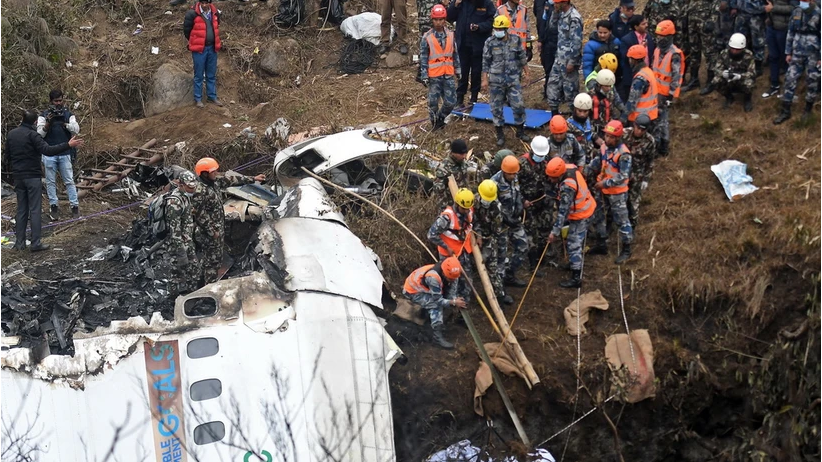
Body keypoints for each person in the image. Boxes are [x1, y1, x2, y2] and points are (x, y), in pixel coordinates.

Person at [7, 110, 83, 251]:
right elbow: (47, 150)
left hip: (18, 177)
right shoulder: (33, 135)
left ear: (22, 119)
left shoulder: (11, 134)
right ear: (35, 122)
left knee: (21, 209)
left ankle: (19, 243)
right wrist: (68, 145)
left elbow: (7, 156)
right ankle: (35, 243)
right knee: (35, 209)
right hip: (32, 176)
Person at [191, 157, 266, 284]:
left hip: (217, 230)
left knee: (209, 258)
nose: (216, 173)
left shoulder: (215, 182)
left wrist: (254, 179)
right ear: (204, 174)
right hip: (209, 234)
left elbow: (232, 179)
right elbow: (199, 215)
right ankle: (209, 287)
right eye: (213, 172)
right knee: (213, 262)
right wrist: (212, 232)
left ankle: (199, 280)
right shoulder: (199, 191)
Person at [587, 120, 633, 264]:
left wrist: (605, 183)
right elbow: (599, 161)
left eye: (611, 137)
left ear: (618, 137)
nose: (607, 139)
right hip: (603, 190)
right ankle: (601, 244)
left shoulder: (624, 154)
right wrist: (586, 169)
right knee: (599, 216)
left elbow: (623, 176)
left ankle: (627, 249)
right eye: (606, 135)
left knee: (622, 220)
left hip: (617, 192)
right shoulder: (604, 147)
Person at [545, 157, 596, 288]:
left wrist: (554, 232)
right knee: (572, 241)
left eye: (552, 177)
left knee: (574, 244)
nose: (550, 180)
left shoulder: (567, 187)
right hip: (587, 205)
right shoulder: (569, 167)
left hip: (581, 214)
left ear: (559, 175)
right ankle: (574, 263)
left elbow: (562, 212)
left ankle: (576, 278)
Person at [482, 15, 530, 146]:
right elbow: (485, 61)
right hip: (496, 81)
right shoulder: (490, 42)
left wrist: (527, 73)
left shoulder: (515, 40)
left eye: (500, 29)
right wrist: (484, 79)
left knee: (518, 105)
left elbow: (522, 57)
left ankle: (520, 130)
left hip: (513, 80)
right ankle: (500, 133)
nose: (497, 31)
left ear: (506, 29)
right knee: (496, 108)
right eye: (496, 29)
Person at [151, 170, 200, 297]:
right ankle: (173, 298)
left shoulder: (185, 196)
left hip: (187, 241)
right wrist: (181, 251)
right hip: (177, 244)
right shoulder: (174, 203)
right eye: (190, 187)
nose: (193, 190)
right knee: (177, 273)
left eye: (194, 187)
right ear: (181, 185)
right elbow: (174, 230)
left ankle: (193, 295)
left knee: (194, 269)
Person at [402, 256, 466, 349]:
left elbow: (451, 292)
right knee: (435, 305)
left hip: (428, 290)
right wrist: (453, 302)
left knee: (446, 301)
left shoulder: (453, 274)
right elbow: (438, 301)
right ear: (444, 273)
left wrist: (454, 300)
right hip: (413, 292)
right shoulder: (433, 278)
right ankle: (437, 337)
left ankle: (432, 318)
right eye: (450, 279)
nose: (452, 281)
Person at [36, 89, 81, 221]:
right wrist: (48, 124)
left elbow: (76, 129)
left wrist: (65, 124)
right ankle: (54, 206)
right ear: (51, 101)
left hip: (65, 152)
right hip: (49, 153)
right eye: (56, 101)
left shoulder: (68, 114)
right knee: (50, 182)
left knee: (69, 181)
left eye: (60, 100)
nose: (58, 103)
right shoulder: (44, 116)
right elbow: (39, 134)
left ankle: (74, 206)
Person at [773, 0, 820, 124]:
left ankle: (808, 109)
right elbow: (791, 31)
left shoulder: (818, 13)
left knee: (812, 80)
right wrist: (788, 52)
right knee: (790, 79)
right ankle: (785, 110)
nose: (803, 1)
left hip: (813, 53)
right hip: (797, 51)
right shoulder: (796, 11)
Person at [427, 188, 475, 301]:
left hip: (463, 251)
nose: (466, 211)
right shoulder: (446, 217)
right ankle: (451, 304)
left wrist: (479, 235)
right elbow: (431, 235)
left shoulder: (469, 209)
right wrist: (446, 247)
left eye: (468, 209)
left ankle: (464, 302)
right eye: (463, 209)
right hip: (449, 255)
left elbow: (473, 223)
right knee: (452, 284)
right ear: (457, 204)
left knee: (467, 279)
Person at [420, 5, 462, 131]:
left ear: (444, 20)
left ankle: (440, 118)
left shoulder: (451, 35)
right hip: (434, 76)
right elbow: (423, 58)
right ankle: (435, 125)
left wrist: (458, 70)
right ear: (432, 20)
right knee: (433, 103)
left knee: (451, 102)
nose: (438, 22)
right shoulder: (427, 37)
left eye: (441, 19)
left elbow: (455, 54)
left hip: (448, 74)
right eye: (436, 20)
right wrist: (424, 75)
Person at [447, 0, 496, 107]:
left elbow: (492, 21)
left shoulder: (486, 3)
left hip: (478, 44)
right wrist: (455, 5)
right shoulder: (461, 2)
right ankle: (459, 98)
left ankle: (473, 98)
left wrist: (479, 27)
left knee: (476, 72)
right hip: (463, 44)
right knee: (462, 72)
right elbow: (449, 16)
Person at [490, 156, 528, 287]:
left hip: (514, 220)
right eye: (510, 174)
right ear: (504, 171)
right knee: (501, 255)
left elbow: (517, 193)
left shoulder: (515, 178)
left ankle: (510, 275)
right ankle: (499, 287)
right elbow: (493, 206)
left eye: (514, 173)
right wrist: (505, 218)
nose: (512, 176)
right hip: (500, 225)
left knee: (523, 246)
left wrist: (520, 204)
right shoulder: (494, 183)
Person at [474, 180, 512, 304]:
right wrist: (478, 234)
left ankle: (499, 295)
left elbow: (496, 231)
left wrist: (489, 247)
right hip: (474, 235)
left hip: (490, 237)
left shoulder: (496, 208)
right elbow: (473, 219)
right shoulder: (474, 201)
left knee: (493, 266)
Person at [518, 137, 552, 274]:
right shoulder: (521, 164)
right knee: (531, 233)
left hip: (542, 201)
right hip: (528, 205)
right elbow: (514, 185)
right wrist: (522, 200)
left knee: (545, 227)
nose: (540, 157)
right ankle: (533, 265)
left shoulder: (545, 161)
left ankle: (542, 256)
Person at [651, 20, 684, 156]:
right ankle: (656, 145)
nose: (659, 38)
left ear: (670, 37)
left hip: (665, 94)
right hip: (655, 91)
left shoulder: (675, 54)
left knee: (662, 121)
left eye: (662, 36)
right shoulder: (657, 50)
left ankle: (663, 147)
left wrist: (670, 95)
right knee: (655, 120)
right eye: (658, 36)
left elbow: (676, 76)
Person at [545, 0, 583, 115]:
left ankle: (576, 116)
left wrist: (572, 62)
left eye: (557, 3)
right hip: (559, 58)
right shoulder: (560, 14)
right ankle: (554, 113)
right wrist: (555, 13)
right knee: (553, 85)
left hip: (568, 60)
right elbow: (552, 27)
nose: (555, 5)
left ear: (565, 2)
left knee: (570, 90)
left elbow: (576, 42)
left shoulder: (574, 18)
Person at [184, 0, 223, 108]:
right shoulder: (192, 14)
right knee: (199, 75)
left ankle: (212, 96)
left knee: (211, 74)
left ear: (210, 3)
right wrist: (195, 41)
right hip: (199, 49)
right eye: (202, 3)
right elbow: (187, 31)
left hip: (212, 48)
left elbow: (217, 26)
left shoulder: (215, 13)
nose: (204, 5)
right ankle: (198, 98)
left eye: (206, 3)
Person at [623, 114, 656, 228]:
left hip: (637, 174)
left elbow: (650, 161)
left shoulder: (649, 141)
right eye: (638, 128)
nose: (639, 131)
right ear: (634, 125)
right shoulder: (624, 134)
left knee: (633, 200)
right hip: (622, 172)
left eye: (642, 130)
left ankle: (632, 224)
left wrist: (646, 179)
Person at [682, 0, 722, 93]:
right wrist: (685, 16)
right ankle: (694, 79)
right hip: (692, 23)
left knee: (709, 52)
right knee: (694, 51)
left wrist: (712, 20)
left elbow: (717, 3)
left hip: (705, 23)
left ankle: (711, 81)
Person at [712, 33, 757, 112]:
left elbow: (752, 73)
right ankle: (729, 97)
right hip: (728, 79)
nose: (735, 51)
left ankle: (747, 99)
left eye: (738, 49)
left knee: (749, 83)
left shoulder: (748, 55)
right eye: (733, 49)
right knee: (716, 81)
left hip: (741, 79)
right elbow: (716, 69)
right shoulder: (724, 54)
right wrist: (723, 74)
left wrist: (740, 76)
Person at [618, 15, 656, 102]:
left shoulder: (649, 37)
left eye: (646, 23)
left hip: (647, 75)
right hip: (632, 77)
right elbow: (625, 57)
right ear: (636, 27)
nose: (646, 25)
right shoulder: (626, 40)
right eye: (643, 24)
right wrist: (639, 48)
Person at [622, 44, 659, 130]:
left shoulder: (639, 78)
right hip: (651, 115)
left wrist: (623, 118)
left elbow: (632, 102)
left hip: (638, 120)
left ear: (634, 60)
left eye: (630, 59)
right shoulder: (648, 71)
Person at [434, 139, 475, 207]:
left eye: (465, 153)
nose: (464, 156)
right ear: (453, 153)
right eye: (461, 154)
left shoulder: (463, 163)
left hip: (465, 204)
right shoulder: (443, 168)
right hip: (453, 206)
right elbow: (439, 193)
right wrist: (446, 209)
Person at [731, 0, 767, 76]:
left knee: (758, 41)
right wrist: (733, 6)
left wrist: (768, 10)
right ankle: (740, 62)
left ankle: (758, 65)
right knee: (739, 39)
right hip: (741, 13)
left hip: (757, 14)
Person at [588, 69, 628, 134]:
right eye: (606, 86)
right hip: (593, 129)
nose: (609, 88)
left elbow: (612, 111)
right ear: (599, 84)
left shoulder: (610, 95)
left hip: (607, 129)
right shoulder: (590, 96)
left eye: (610, 86)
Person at [566, 93, 603, 160]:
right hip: (577, 158)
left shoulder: (587, 120)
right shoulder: (568, 125)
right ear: (575, 109)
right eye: (579, 111)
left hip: (591, 154)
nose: (582, 114)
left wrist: (603, 144)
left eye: (585, 111)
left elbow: (592, 133)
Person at [535, 0, 558, 102]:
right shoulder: (546, 6)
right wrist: (540, 40)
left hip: (559, 44)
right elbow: (542, 23)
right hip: (547, 43)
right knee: (548, 69)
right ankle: (548, 92)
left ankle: (559, 94)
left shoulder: (566, 8)